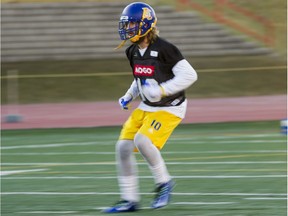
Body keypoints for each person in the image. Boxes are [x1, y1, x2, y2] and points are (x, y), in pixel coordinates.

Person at [103, 2, 198, 213]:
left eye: (132, 25)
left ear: (146, 25)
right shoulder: (132, 51)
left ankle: (164, 183)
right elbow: (140, 78)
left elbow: (190, 75)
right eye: (126, 25)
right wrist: (129, 95)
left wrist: (163, 90)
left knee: (142, 140)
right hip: (147, 105)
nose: (127, 29)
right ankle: (130, 200)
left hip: (170, 107)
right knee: (123, 148)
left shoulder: (165, 48)